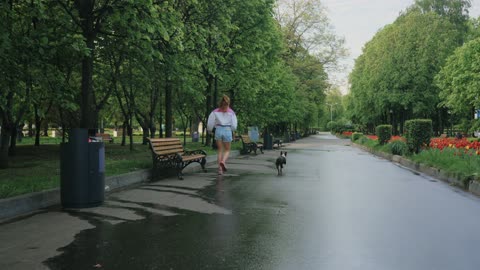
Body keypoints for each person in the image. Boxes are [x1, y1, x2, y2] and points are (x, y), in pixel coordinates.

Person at [207, 95, 238, 175]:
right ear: (228, 103)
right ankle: (223, 161)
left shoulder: (215, 112)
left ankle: (220, 170)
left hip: (218, 130)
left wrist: (210, 130)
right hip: (227, 129)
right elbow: (234, 125)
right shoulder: (231, 112)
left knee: (220, 150)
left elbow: (210, 123)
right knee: (227, 150)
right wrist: (232, 130)